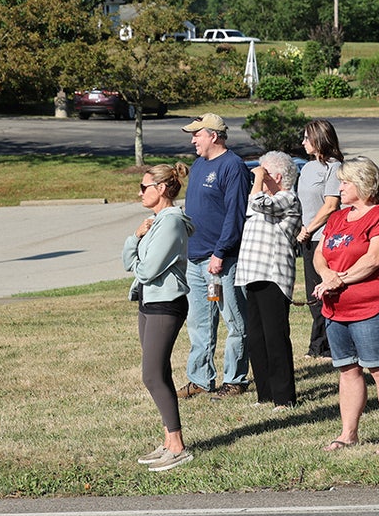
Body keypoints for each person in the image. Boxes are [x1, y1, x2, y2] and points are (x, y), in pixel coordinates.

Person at [312, 156, 379, 455]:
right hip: (336, 308)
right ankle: (348, 433)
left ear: (363, 184)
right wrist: (327, 274)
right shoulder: (338, 218)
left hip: (373, 305)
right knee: (347, 370)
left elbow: (374, 260)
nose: (339, 187)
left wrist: (338, 279)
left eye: (345, 182)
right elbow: (320, 255)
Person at [122, 163, 196, 472]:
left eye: (144, 187)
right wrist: (136, 236)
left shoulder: (171, 223)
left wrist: (138, 259)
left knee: (151, 375)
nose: (139, 192)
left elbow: (148, 270)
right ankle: (168, 440)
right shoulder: (154, 222)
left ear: (161, 189)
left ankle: (178, 446)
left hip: (167, 303)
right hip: (149, 301)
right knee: (159, 372)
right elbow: (129, 261)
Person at [178, 113, 252, 401]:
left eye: (197, 134)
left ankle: (235, 379)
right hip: (195, 258)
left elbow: (235, 216)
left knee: (233, 319)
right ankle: (200, 379)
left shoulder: (232, 166)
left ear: (214, 136)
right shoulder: (199, 165)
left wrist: (220, 253)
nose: (193, 139)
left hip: (221, 259)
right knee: (199, 322)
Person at [235, 151, 303, 410]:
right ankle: (265, 394)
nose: (258, 176)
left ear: (276, 176)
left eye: (263, 172)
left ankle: (284, 397)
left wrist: (258, 180)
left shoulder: (288, 198)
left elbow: (263, 204)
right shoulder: (261, 198)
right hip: (252, 274)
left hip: (273, 275)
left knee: (275, 336)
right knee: (256, 337)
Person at [296, 119, 344, 359]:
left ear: (319, 139)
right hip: (307, 237)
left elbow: (330, 205)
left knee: (324, 291)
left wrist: (309, 229)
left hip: (323, 237)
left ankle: (324, 347)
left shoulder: (334, 168)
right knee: (311, 295)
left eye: (307, 138)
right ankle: (319, 345)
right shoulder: (306, 168)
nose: (303, 142)